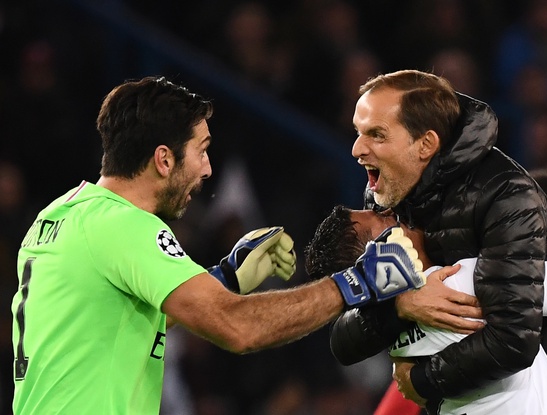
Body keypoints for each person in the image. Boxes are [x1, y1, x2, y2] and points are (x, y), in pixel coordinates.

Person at [10, 76, 436, 414]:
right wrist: (356, 282)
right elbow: (239, 329)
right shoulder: (126, 226)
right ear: (163, 159)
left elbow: (113, 321)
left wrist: (223, 279)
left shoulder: (60, 214)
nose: (208, 168)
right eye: (201, 150)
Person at [334, 69, 547, 414]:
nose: (357, 149)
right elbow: (344, 341)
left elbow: (513, 341)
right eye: (358, 132)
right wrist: (399, 307)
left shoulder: (503, 195)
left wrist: (419, 382)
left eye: (376, 135)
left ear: (425, 144)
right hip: (520, 392)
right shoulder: (384, 195)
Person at [304, 205, 547, 414]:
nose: (395, 211)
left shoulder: (391, 337)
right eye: (385, 219)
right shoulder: (462, 281)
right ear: (379, 258)